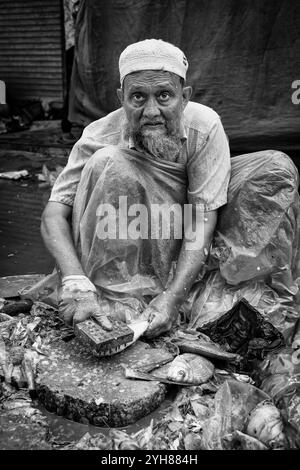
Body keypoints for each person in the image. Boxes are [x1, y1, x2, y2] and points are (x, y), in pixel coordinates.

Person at [40, 39, 231, 338]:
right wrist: (75, 281)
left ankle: (175, 292)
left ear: (185, 97)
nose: (152, 111)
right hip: (126, 233)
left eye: (165, 95)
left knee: (272, 168)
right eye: (138, 97)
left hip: (178, 231)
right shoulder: (99, 135)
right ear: (122, 98)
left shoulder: (204, 127)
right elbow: (53, 215)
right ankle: (110, 295)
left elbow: (201, 218)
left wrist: (172, 297)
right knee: (110, 163)